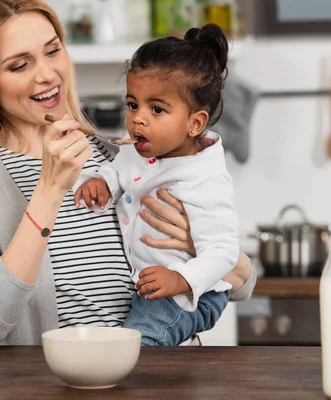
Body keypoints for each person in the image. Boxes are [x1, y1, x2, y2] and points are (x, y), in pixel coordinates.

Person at [0, 0, 257, 345]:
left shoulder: (117, 154)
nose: (46, 74)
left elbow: (243, 283)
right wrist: (49, 190)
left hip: (162, 381)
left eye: (52, 51)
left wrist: (197, 244)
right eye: (19, 65)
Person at [73, 25, 238, 346]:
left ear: (195, 123)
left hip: (189, 294)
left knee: (135, 347)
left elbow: (224, 250)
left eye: (157, 109)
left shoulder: (205, 178)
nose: (138, 119)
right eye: (133, 104)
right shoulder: (137, 151)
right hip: (154, 288)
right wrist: (101, 182)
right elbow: (117, 168)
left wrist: (180, 279)